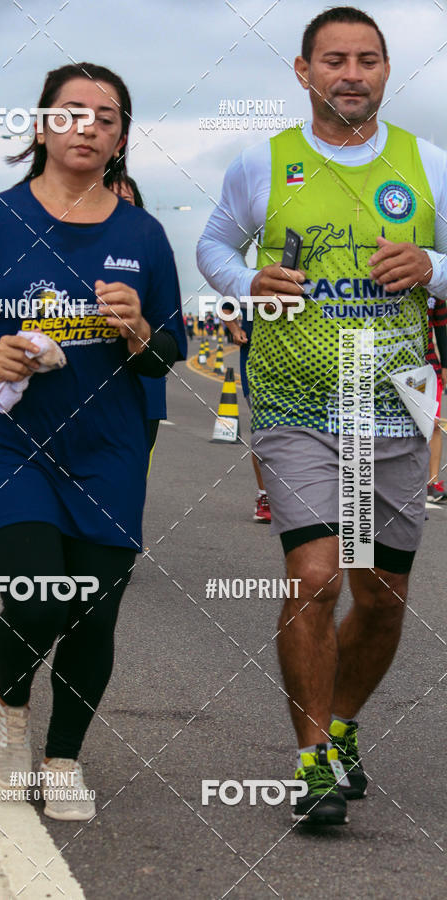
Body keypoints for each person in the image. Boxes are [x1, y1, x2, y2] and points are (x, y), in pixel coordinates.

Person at [197, 6, 447, 826]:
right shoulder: (262, 164)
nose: (351, 74)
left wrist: (433, 265)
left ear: (385, 71)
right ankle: (312, 763)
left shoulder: (428, 165)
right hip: (297, 404)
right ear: (302, 72)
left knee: (380, 598)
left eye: (367, 60)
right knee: (316, 576)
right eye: (333, 60)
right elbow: (215, 246)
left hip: (395, 408)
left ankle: (341, 728)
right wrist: (246, 283)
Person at [0, 62, 185, 820]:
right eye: (72, 112)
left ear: (121, 138)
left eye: (106, 116)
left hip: (110, 448)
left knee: (95, 613)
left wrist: (137, 330)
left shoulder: (143, 234)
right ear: (41, 126)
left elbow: (173, 349)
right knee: (37, 600)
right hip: (13, 444)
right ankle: (7, 704)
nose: (88, 126)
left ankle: (63, 761)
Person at [107, 174, 185, 476]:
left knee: (127, 479)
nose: (116, 207)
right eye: (106, 197)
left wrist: (139, 329)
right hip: (82, 393)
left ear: (138, 206)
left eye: (125, 200)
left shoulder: (151, 249)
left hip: (143, 390)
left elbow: (170, 339)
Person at [223, 304, 271, 523]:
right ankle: (265, 497)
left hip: (306, 364)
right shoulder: (254, 279)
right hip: (257, 363)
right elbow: (225, 307)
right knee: (264, 431)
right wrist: (234, 330)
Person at [426, 297, 447, 501]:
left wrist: (445, 366)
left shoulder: (435, 287)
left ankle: (433, 482)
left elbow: (441, 327)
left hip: (430, 366)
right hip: (398, 366)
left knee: (433, 425)